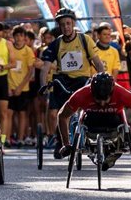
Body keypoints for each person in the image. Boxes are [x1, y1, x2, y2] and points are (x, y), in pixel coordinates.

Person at [55, 72, 131, 171]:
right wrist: (66, 144)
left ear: (112, 92)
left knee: (126, 127)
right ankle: (98, 154)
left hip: (114, 124)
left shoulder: (121, 93)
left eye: (106, 99)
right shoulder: (82, 94)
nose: (102, 104)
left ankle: (111, 158)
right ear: (91, 92)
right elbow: (62, 115)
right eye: (98, 100)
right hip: (90, 124)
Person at [40, 9, 104, 157]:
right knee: (60, 113)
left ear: (73, 23)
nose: (66, 27)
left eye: (68, 23)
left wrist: (102, 78)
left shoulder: (84, 40)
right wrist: (43, 85)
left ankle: (90, 137)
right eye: (62, 24)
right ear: (59, 26)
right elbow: (45, 68)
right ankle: (61, 142)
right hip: (63, 81)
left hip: (82, 80)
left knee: (89, 110)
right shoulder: (56, 44)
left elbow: (98, 63)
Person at [7, 26, 38, 144]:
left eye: (21, 36)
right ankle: (7, 139)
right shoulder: (9, 48)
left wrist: (20, 87)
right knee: (9, 113)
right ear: (13, 37)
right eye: (17, 35)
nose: (19, 38)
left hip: (23, 88)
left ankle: (20, 139)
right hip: (10, 86)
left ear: (24, 37)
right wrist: (8, 86)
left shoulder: (28, 51)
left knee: (22, 113)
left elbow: (30, 71)